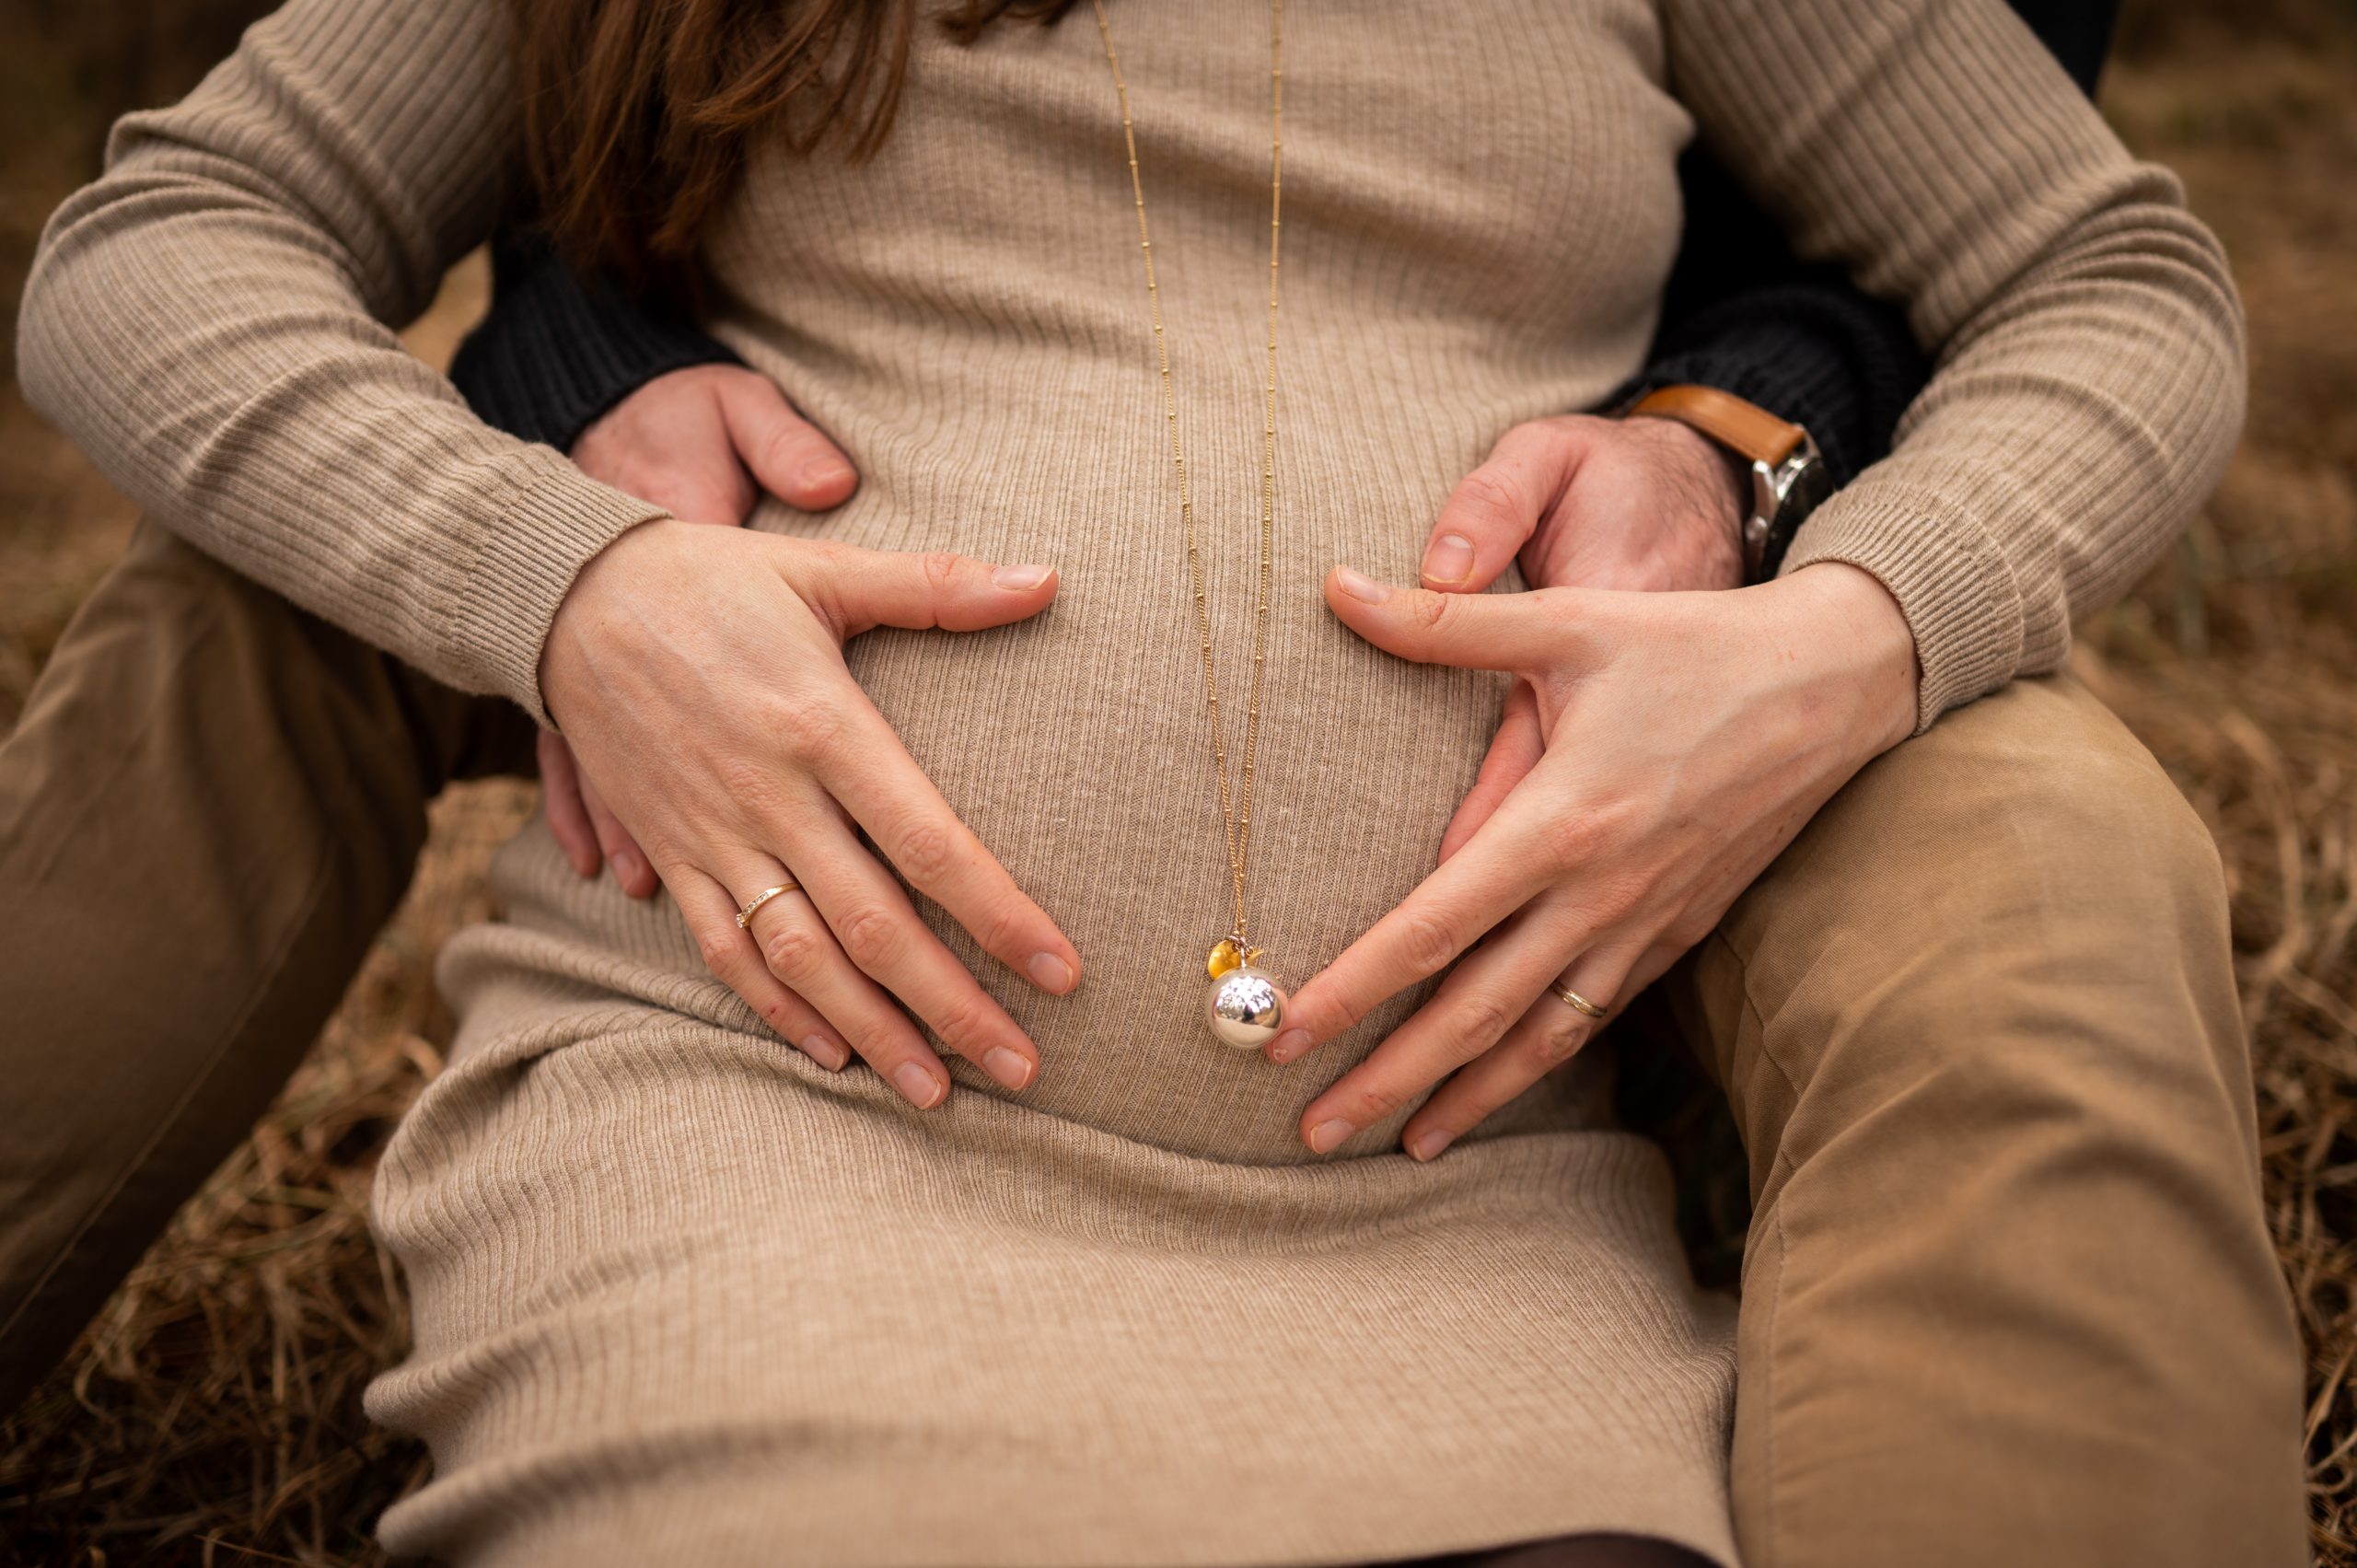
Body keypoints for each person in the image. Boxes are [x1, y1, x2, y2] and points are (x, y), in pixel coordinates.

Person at [3, 0, 2304, 1562]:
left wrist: (1854, 623)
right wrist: (567, 581)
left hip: (1463, 1233)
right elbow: (159, 243)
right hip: (782, 1147)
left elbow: (2101, 271)